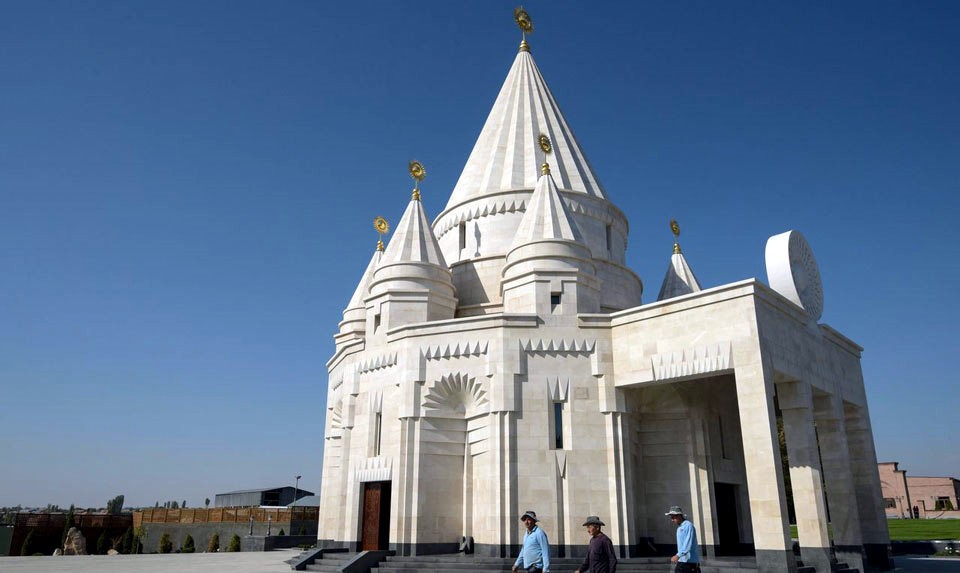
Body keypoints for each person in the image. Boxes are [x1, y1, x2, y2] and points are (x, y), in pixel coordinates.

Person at [666, 506, 700, 572]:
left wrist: (678, 555)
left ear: (679, 516)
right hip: (682, 561)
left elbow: (688, 543)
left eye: (673, 517)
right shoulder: (680, 527)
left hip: (690, 563)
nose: (672, 520)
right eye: (671, 518)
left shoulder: (688, 526)